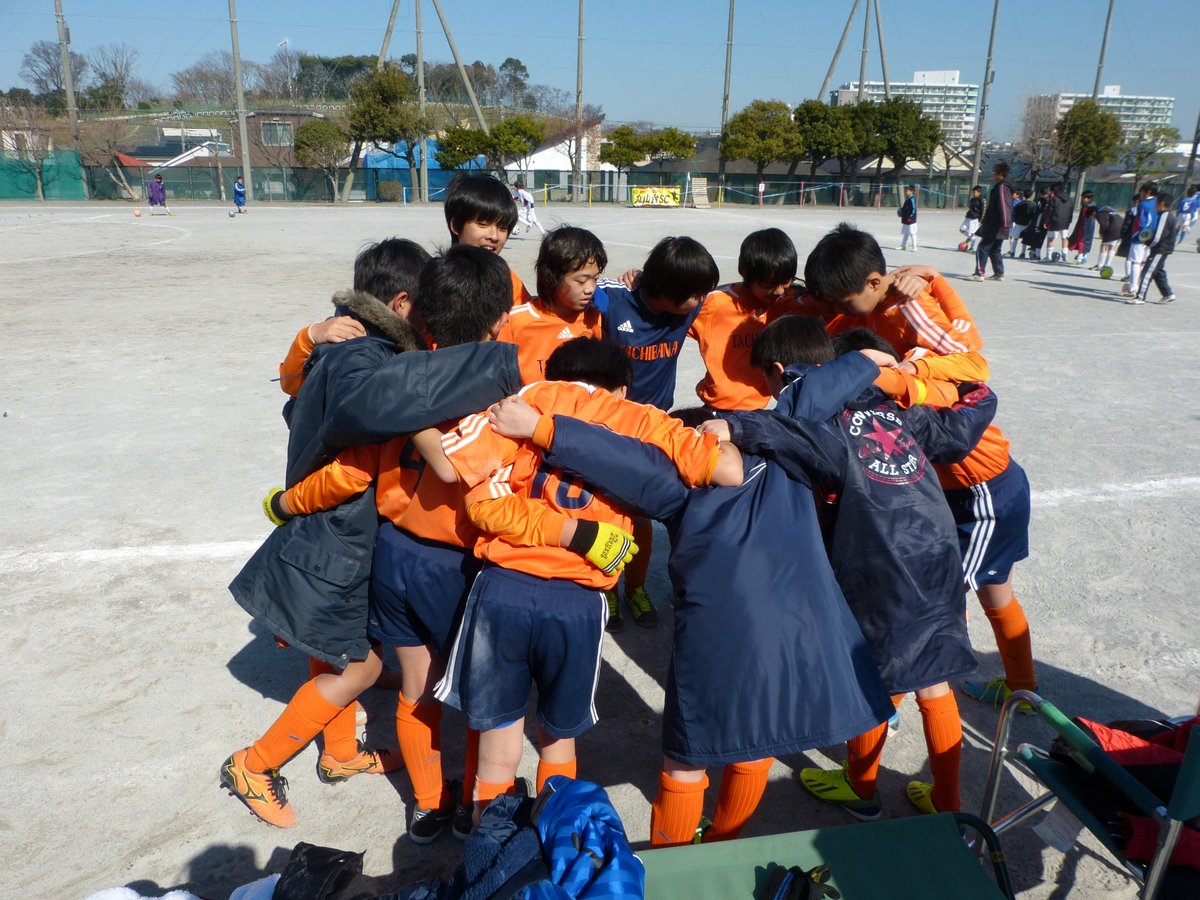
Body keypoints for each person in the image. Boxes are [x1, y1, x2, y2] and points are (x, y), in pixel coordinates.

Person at [485, 351, 899, 847]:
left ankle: (673, 853)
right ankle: (724, 838)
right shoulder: (779, 445)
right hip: (809, 615)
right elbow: (811, 394)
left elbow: (620, 459)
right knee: (756, 741)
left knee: (686, 758)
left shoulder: (677, 485)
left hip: (720, 623)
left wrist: (540, 428)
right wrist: (866, 360)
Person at [222, 244, 524, 829]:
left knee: (343, 653)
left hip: (341, 535)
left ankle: (339, 754)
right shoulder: (378, 367)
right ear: (404, 303)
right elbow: (354, 471)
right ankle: (254, 765)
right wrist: (286, 503)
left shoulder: (344, 345)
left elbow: (292, 389)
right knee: (358, 667)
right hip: (339, 536)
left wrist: (308, 336)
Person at [433, 338, 744, 826]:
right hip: (578, 599)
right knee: (558, 739)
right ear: (622, 388)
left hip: (504, 588)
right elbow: (726, 470)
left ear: (553, 375)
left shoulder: (530, 400)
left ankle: (488, 844)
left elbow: (462, 475)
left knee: (498, 745)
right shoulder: (645, 419)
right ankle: (554, 840)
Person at [727, 316, 995, 819]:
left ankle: (862, 790)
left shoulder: (812, 413)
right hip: (936, 550)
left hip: (878, 558)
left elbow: (775, 434)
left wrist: (734, 425)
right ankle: (948, 805)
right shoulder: (894, 405)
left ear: (779, 370)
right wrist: (933, 382)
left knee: (874, 676)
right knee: (934, 677)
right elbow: (970, 414)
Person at [595, 236, 720, 631]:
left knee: (641, 514)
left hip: (654, 426)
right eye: (695, 294)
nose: (701, 300)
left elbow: (743, 295)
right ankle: (607, 591)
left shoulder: (692, 306)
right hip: (609, 426)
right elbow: (575, 290)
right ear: (665, 291)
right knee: (607, 510)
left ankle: (635, 587)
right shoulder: (612, 301)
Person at [688, 228, 815, 412]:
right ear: (745, 272)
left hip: (762, 410)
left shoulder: (788, 302)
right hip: (719, 410)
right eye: (769, 285)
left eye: (785, 281)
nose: (779, 290)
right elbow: (667, 314)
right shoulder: (714, 304)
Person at [498, 226, 605, 383]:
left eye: (595, 279)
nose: (590, 288)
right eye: (581, 281)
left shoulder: (595, 317)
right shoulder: (515, 323)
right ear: (551, 277)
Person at [445, 172, 533, 306]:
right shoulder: (436, 278)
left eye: (502, 227)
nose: (494, 236)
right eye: (483, 224)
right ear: (456, 225)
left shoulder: (509, 282)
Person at [1130, 193, 1178, 305]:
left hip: (1160, 249)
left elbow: (1159, 235)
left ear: (1162, 203)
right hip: (1163, 248)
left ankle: (1140, 297)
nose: (1154, 205)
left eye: (1156, 203)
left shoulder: (1165, 216)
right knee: (1158, 272)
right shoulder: (1166, 215)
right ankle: (1167, 294)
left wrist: (1147, 243)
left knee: (1147, 272)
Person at [972, 162, 1014, 281]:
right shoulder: (1005, 186)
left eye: (995, 172)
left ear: (1000, 174)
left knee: (982, 248)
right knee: (995, 249)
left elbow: (1004, 204)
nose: (993, 175)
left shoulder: (1002, 187)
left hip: (996, 224)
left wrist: (1005, 222)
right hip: (1001, 223)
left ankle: (979, 273)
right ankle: (999, 273)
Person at [1122, 182, 1159, 297]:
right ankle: (1138, 285)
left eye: (1141, 191)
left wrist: (1140, 235)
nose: (1140, 194)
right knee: (1143, 262)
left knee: (1135, 263)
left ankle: (1133, 288)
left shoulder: (1143, 204)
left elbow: (1141, 223)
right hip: (1152, 237)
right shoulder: (1157, 203)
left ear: (1147, 192)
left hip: (1140, 237)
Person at [1041, 183, 1074, 262]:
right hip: (1065, 222)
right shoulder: (1070, 199)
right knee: (1064, 238)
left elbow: (1049, 211)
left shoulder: (1054, 199)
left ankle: (1048, 256)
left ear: (1055, 190)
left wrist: (1045, 221)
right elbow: (1071, 211)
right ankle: (1064, 253)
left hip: (1054, 221)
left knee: (1050, 239)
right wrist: (1070, 220)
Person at [1092, 205, 1125, 273]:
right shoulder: (1110, 211)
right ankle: (1107, 265)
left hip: (1113, 228)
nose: (1092, 218)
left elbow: (1104, 224)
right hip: (1122, 228)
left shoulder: (1099, 213)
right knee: (1112, 247)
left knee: (1104, 246)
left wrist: (1101, 233)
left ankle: (1100, 265)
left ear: (1093, 212)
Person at [1068, 191, 1097, 265]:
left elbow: (1088, 220)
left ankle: (1080, 258)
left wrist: (1083, 229)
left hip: (1086, 228)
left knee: (1083, 242)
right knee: (1081, 242)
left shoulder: (1090, 208)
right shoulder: (1085, 206)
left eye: (1083, 198)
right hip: (1082, 227)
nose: (1081, 199)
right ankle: (1082, 256)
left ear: (1088, 198)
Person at [1008, 190, 1033, 257]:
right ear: (1031, 196)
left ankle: (1012, 252)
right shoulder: (1033, 204)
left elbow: (1015, 213)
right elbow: (1033, 215)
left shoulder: (1019, 204)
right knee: (1024, 240)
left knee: (1015, 238)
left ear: (1024, 195)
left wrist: (1016, 220)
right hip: (1027, 224)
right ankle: (1023, 253)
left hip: (1018, 223)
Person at [959, 186, 983, 251]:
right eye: (972, 192)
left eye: (974, 192)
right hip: (968, 217)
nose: (973, 194)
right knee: (961, 229)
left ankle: (971, 248)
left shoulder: (982, 200)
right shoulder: (972, 199)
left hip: (975, 219)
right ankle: (970, 238)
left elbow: (983, 210)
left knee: (971, 233)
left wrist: (981, 220)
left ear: (979, 192)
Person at [898, 185, 918, 251]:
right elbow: (906, 208)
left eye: (907, 191)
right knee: (905, 233)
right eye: (905, 191)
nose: (906, 192)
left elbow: (914, 209)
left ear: (911, 192)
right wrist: (901, 210)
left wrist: (910, 217)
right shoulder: (907, 198)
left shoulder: (912, 199)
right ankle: (903, 246)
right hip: (906, 219)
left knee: (912, 233)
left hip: (911, 220)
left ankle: (914, 247)